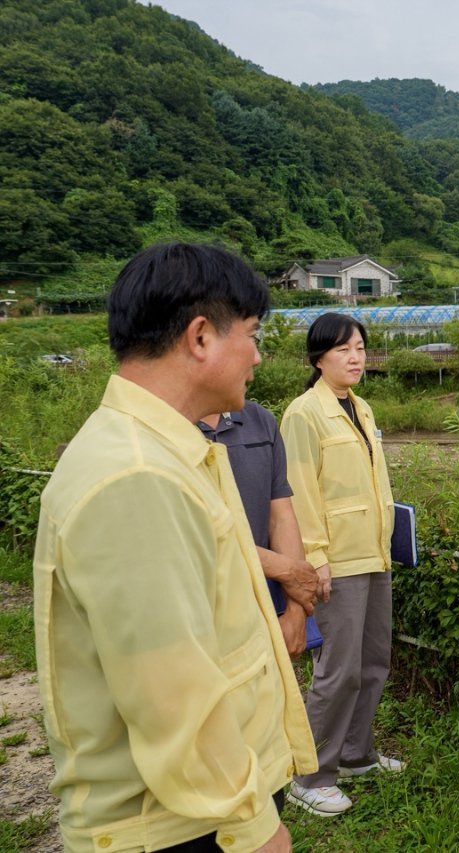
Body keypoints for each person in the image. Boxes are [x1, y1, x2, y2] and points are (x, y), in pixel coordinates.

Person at [33, 242, 317, 853]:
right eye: (253, 334)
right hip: (181, 825)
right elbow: (172, 694)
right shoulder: (138, 477)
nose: (259, 356)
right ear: (200, 337)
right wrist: (254, 827)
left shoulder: (161, 452)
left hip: (196, 809)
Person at [280, 313, 400, 817]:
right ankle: (310, 774)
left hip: (373, 553)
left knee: (373, 661)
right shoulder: (303, 414)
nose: (355, 357)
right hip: (337, 561)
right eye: (343, 349)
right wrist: (316, 559)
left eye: (360, 348)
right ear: (318, 358)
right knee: (338, 670)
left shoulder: (362, 407)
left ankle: (354, 755)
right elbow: (298, 492)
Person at [198, 402, 321, 658]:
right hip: (200, 615)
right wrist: (282, 568)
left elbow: (281, 516)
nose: (255, 360)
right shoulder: (162, 432)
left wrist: (295, 610)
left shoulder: (261, 421)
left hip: (264, 607)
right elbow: (191, 536)